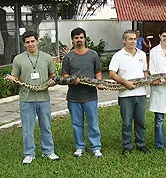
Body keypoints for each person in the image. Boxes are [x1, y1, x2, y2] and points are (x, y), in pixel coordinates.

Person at [5, 30, 60, 164]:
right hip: (26, 100)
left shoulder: (47, 58)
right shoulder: (18, 59)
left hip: (43, 99)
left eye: (33, 41)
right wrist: (12, 79)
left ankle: (48, 152)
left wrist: (52, 82)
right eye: (27, 42)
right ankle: (29, 154)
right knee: (27, 129)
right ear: (24, 44)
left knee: (46, 127)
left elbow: (52, 76)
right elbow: (16, 77)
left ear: (37, 41)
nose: (31, 44)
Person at [62, 27, 103, 158]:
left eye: (81, 37)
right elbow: (64, 75)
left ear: (85, 39)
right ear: (72, 40)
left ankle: (95, 147)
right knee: (76, 123)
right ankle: (79, 147)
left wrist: (99, 82)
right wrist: (71, 81)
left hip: (90, 95)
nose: (79, 40)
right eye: (76, 38)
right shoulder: (69, 56)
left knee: (93, 122)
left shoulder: (93, 54)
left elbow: (98, 71)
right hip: (74, 96)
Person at [109, 29, 150, 155]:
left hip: (141, 94)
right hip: (125, 95)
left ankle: (141, 144)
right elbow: (112, 73)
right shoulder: (118, 56)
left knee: (141, 122)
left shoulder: (142, 54)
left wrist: (147, 79)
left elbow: (145, 72)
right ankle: (127, 146)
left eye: (134, 39)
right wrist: (126, 83)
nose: (133, 41)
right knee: (126, 122)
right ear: (124, 40)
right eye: (130, 39)